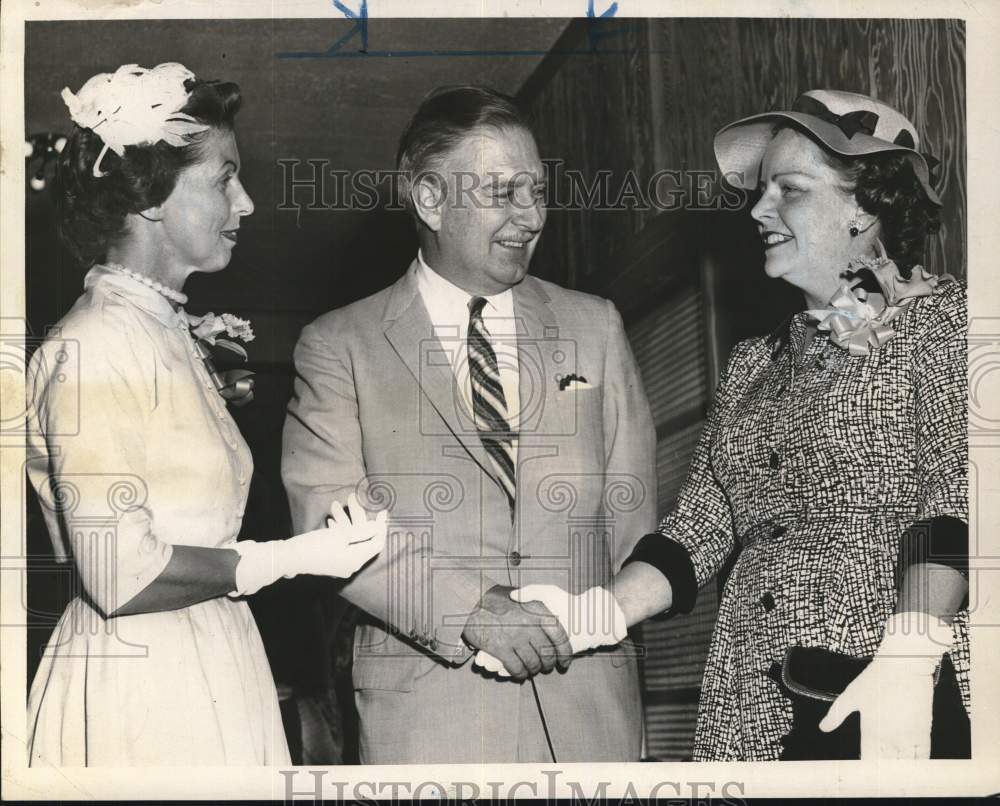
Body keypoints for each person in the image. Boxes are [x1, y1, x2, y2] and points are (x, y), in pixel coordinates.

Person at [505, 90, 969, 761]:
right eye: (761, 189)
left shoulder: (943, 322)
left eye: (791, 189)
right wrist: (594, 615)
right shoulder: (756, 364)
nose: (759, 209)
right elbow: (700, 526)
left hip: (887, 690)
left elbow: (965, 491)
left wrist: (911, 651)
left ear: (866, 206)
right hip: (749, 703)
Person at [281, 85, 657, 763]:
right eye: (501, 192)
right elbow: (326, 527)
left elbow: (634, 525)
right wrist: (472, 610)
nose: (530, 216)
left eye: (536, 190)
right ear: (429, 200)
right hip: (429, 721)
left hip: (590, 715)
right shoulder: (339, 345)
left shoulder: (595, 326)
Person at [25, 62, 386, 767]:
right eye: (225, 177)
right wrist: (293, 558)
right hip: (146, 679)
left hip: (209, 650)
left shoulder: (158, 330)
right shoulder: (94, 342)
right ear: (154, 197)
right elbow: (118, 573)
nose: (246, 203)